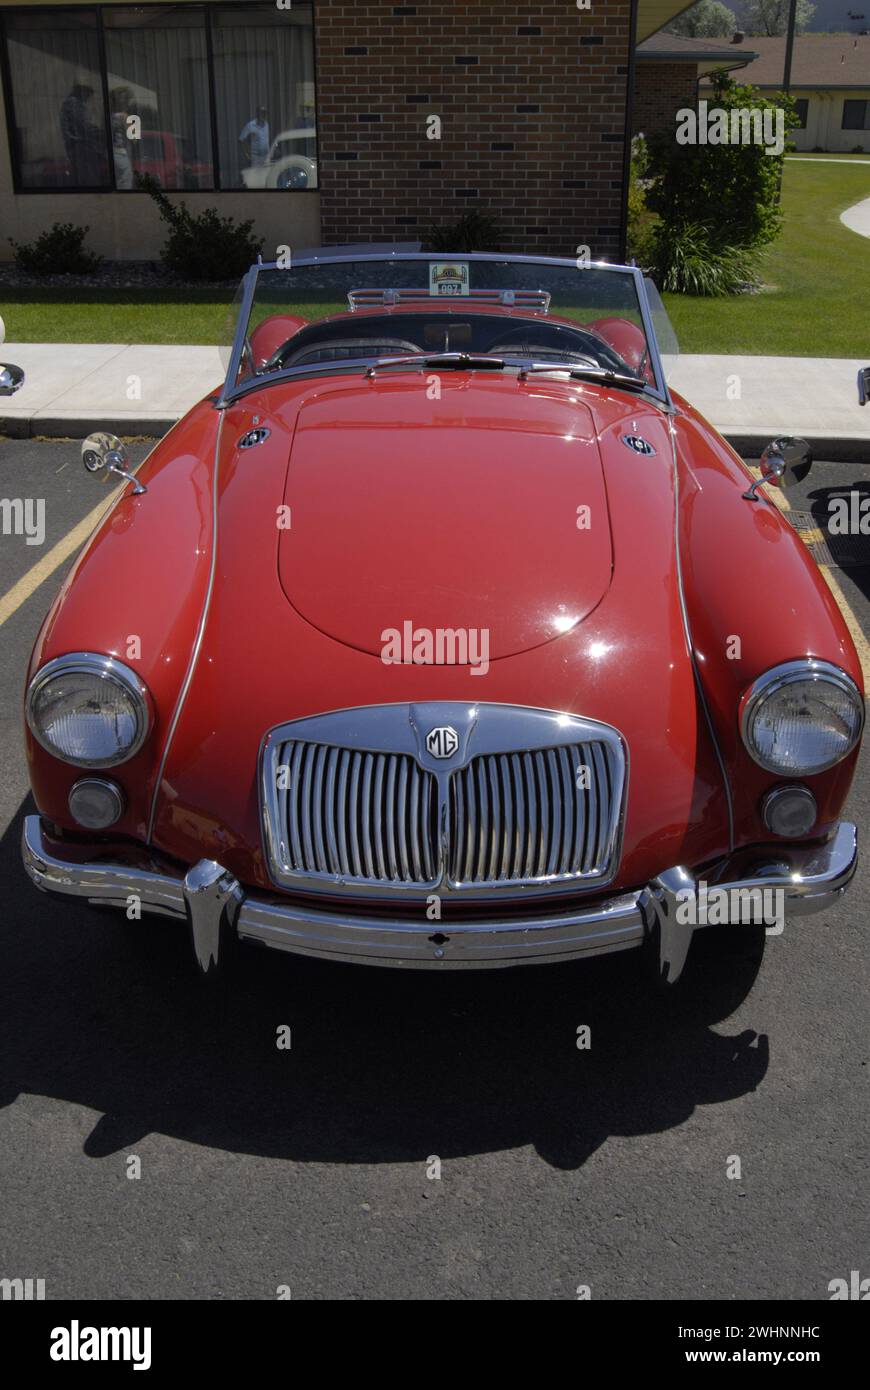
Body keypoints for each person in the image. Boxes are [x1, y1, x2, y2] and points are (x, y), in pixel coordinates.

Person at [60, 82, 101, 185]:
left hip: (77, 143)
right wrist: (98, 131)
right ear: (82, 92)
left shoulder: (73, 103)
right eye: (88, 94)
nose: (89, 98)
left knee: (83, 174)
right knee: (86, 175)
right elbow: (82, 125)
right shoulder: (74, 103)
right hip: (79, 143)